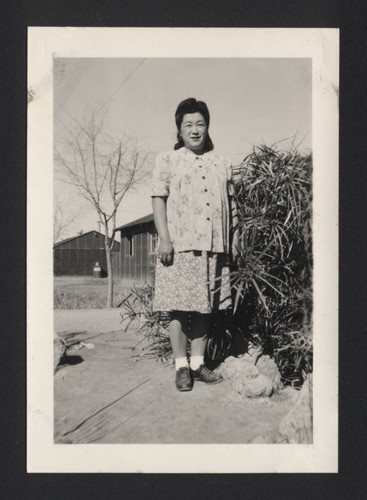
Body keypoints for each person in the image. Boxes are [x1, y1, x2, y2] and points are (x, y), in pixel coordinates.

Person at [151, 97, 239, 392]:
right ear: (179, 129)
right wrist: (164, 238)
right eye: (188, 124)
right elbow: (158, 199)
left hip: (214, 245)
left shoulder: (222, 163)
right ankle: (181, 368)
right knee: (177, 308)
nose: (195, 129)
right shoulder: (167, 160)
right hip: (178, 246)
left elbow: (232, 205)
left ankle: (198, 364)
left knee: (205, 308)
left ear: (207, 127)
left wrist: (234, 240)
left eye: (200, 123)